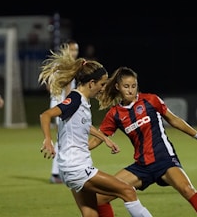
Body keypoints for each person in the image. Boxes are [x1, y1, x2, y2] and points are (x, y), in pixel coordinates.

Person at [38, 45, 153, 217]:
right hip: (76, 168)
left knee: (91, 213)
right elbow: (46, 115)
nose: (103, 88)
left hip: (72, 167)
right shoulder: (75, 99)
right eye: (102, 84)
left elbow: (82, 125)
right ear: (91, 83)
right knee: (127, 190)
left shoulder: (83, 101)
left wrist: (105, 138)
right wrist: (47, 139)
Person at [90, 66, 197, 217]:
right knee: (100, 197)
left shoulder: (150, 100)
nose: (131, 90)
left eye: (134, 86)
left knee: (187, 189)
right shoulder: (115, 114)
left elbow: (174, 120)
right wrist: (75, 150)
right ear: (118, 87)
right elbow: (96, 139)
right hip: (142, 165)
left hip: (164, 159)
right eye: (126, 86)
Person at [48, 39, 79, 184]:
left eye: (76, 50)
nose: (74, 53)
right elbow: (67, 87)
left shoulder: (57, 64)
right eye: (72, 50)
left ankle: (59, 172)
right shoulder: (67, 65)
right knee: (63, 139)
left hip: (57, 102)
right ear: (65, 50)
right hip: (63, 104)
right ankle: (56, 173)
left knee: (63, 138)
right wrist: (68, 104)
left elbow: (49, 85)